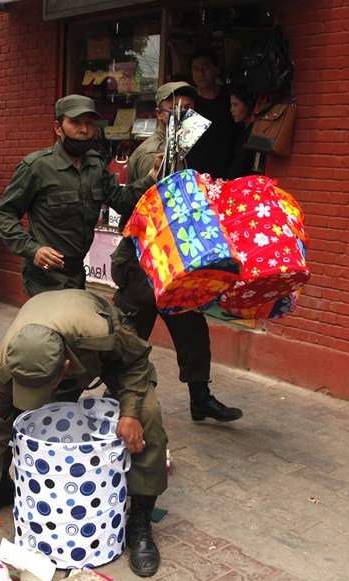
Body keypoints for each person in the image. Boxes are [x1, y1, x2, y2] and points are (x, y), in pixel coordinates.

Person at [0, 289, 167, 577]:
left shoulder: (102, 331)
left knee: (149, 416)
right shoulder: (10, 362)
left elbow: (137, 360)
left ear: (64, 369)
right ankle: (1, 489)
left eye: (42, 387)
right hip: (48, 336)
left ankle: (141, 518)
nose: (37, 397)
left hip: (109, 355)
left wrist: (130, 413)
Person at [110, 82, 243, 423]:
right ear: (160, 114)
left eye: (189, 110)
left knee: (193, 332)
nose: (184, 117)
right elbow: (146, 207)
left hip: (176, 260)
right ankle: (113, 401)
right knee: (127, 337)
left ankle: (200, 398)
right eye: (176, 110)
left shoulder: (183, 151)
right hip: (143, 263)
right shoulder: (151, 153)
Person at [0, 94, 161, 297]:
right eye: (75, 122)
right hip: (44, 277)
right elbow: (4, 213)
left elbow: (122, 200)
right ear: (58, 128)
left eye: (89, 123)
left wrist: (152, 176)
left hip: (77, 274)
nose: (84, 130)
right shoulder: (37, 167)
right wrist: (32, 249)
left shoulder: (96, 165)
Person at [186, 48, 239, 180]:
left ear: (217, 70)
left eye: (205, 67)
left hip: (228, 175)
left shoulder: (230, 99)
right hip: (196, 178)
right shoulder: (190, 104)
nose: (201, 73)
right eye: (195, 69)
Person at [226, 83, 257, 179]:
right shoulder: (241, 130)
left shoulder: (255, 132)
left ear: (248, 105)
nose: (232, 110)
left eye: (235, 105)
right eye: (231, 105)